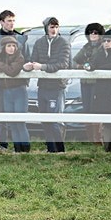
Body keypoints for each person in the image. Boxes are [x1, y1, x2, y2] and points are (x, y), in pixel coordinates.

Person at [0, 10, 29, 150]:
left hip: (18, 84)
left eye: (13, 20)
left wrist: (8, 67)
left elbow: (26, 57)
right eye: (9, 20)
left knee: (19, 120)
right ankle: (4, 144)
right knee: (4, 117)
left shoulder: (20, 38)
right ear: (2, 22)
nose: (11, 23)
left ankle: (24, 149)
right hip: (1, 85)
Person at [23, 17, 71, 153]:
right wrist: (28, 66)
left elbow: (63, 64)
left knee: (55, 121)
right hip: (43, 86)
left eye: (56, 27)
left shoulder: (64, 43)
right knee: (45, 120)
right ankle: (50, 149)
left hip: (57, 87)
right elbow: (34, 59)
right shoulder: (39, 43)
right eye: (51, 27)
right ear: (46, 28)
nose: (54, 29)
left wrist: (43, 67)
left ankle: (60, 149)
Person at [86, 28, 111, 152]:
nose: (106, 43)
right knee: (107, 121)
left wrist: (99, 68)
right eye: (104, 41)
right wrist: (90, 66)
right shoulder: (100, 51)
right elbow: (93, 63)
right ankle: (107, 148)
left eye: (108, 41)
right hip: (102, 90)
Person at [0, 36, 31, 152]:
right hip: (6, 91)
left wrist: (0, 65)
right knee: (12, 123)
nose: (11, 48)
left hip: (19, 91)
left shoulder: (19, 58)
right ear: (4, 47)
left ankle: (25, 149)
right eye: (9, 46)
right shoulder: (0, 58)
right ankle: (17, 148)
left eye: (13, 46)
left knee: (20, 122)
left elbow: (12, 72)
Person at [72, 22, 105, 144]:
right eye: (91, 32)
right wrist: (83, 66)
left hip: (98, 83)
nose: (93, 35)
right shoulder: (86, 47)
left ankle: (98, 139)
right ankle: (90, 139)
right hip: (85, 83)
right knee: (86, 109)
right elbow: (74, 61)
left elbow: (99, 63)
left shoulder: (103, 47)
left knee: (96, 109)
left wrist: (88, 65)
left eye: (96, 32)